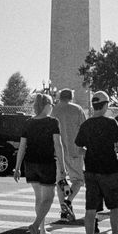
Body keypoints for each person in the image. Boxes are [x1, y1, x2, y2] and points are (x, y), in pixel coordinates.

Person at [75, 91, 118, 234]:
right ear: (105, 105)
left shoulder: (86, 125)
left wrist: (91, 151)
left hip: (90, 169)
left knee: (91, 208)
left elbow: (78, 149)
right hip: (109, 170)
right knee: (114, 206)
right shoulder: (111, 123)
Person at [14, 93, 66, 234]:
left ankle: (42, 231)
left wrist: (17, 167)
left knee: (39, 198)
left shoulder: (28, 122)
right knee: (48, 198)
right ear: (46, 105)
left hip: (30, 164)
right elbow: (58, 145)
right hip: (46, 163)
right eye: (51, 104)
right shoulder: (52, 122)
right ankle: (35, 225)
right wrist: (62, 167)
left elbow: (22, 146)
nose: (52, 107)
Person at [51, 88, 86, 223]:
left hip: (58, 151)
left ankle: (63, 211)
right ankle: (68, 201)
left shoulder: (54, 110)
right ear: (71, 96)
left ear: (60, 97)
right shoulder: (77, 109)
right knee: (78, 180)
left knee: (60, 180)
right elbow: (84, 129)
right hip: (75, 150)